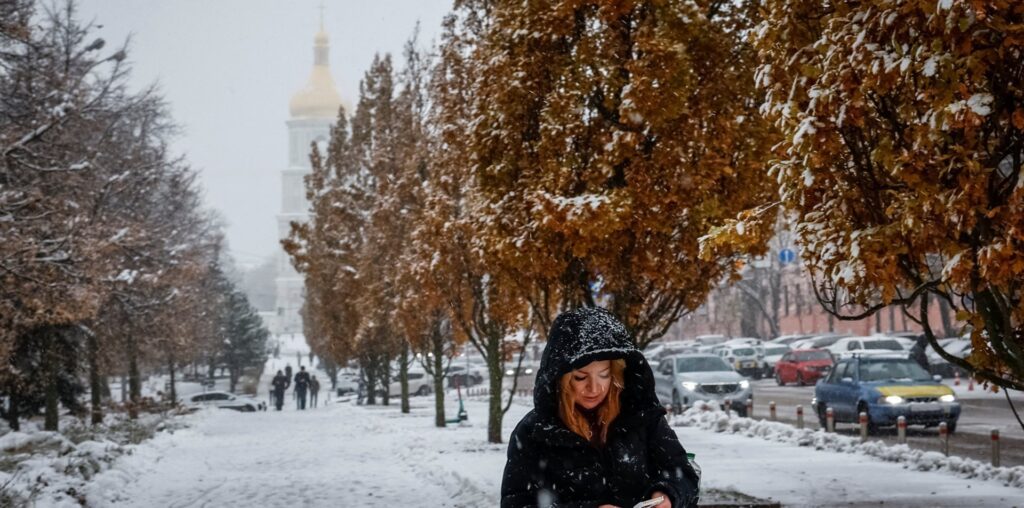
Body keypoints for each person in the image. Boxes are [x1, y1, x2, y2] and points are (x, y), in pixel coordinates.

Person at [501, 307, 700, 508]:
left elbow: (682, 474)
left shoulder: (641, 416)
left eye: (604, 375)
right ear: (561, 378)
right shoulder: (534, 432)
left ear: (616, 373)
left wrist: (667, 494)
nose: (594, 388)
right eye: (580, 377)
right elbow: (516, 503)